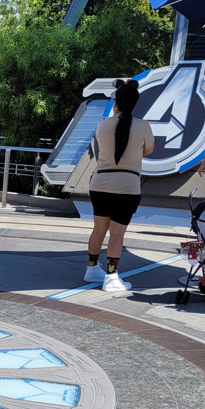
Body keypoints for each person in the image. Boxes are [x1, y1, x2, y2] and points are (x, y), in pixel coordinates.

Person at [83, 79, 155, 291]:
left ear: (115, 103)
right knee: (117, 233)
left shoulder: (103, 124)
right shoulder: (143, 126)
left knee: (98, 230)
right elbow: (149, 150)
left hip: (100, 183)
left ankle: (92, 268)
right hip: (127, 185)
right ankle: (112, 277)